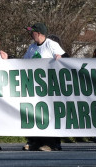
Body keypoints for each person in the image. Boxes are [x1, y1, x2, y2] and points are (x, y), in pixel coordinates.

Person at [22, 22, 64, 152]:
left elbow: (65, 57)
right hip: (35, 87)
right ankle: (36, 141)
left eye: (32, 32)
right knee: (36, 114)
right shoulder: (32, 48)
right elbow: (22, 62)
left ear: (39, 33)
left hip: (49, 86)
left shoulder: (51, 45)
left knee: (47, 114)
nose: (30, 34)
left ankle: (50, 143)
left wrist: (61, 57)